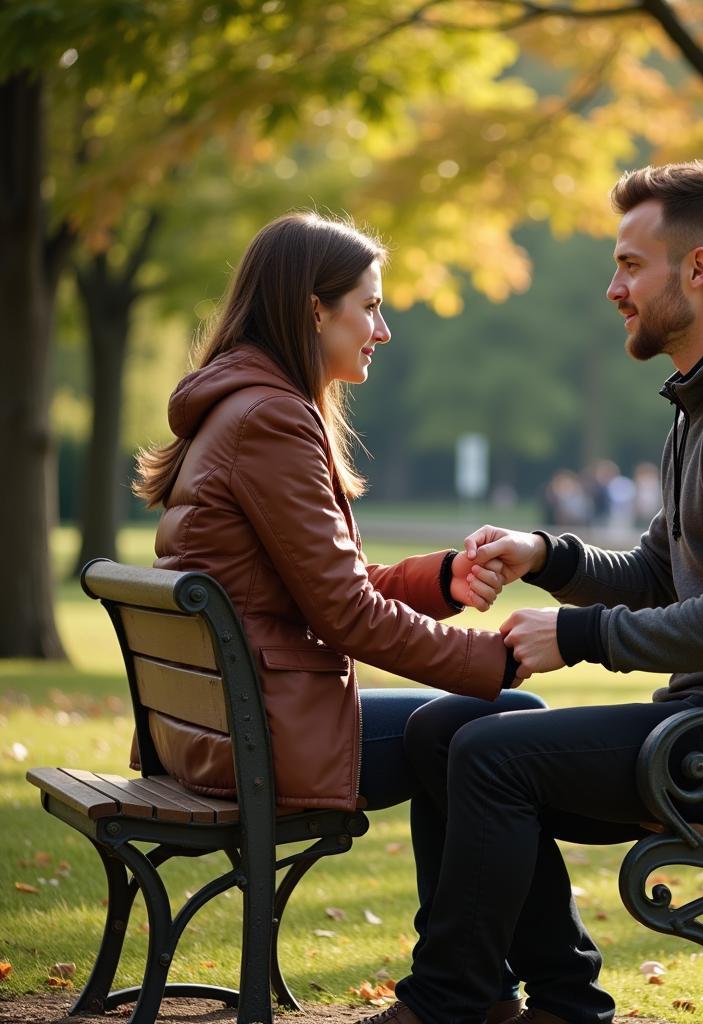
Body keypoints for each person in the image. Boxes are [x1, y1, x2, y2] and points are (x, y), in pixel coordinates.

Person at [369, 161, 703, 1024]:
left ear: (698, 270)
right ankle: (545, 1000)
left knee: (493, 757)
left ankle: (449, 1003)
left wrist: (577, 637)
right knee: (449, 727)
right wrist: (544, 553)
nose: (613, 288)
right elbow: (653, 574)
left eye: (630, 265)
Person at [132, 212, 542, 1023]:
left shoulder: (245, 408)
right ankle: (491, 994)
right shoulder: (271, 419)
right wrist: (490, 664)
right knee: (504, 728)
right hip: (261, 739)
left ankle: (469, 993)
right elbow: (347, 614)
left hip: (225, 725)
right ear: (313, 310)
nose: (382, 330)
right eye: (370, 306)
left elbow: (327, 586)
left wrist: (444, 581)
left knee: (475, 735)